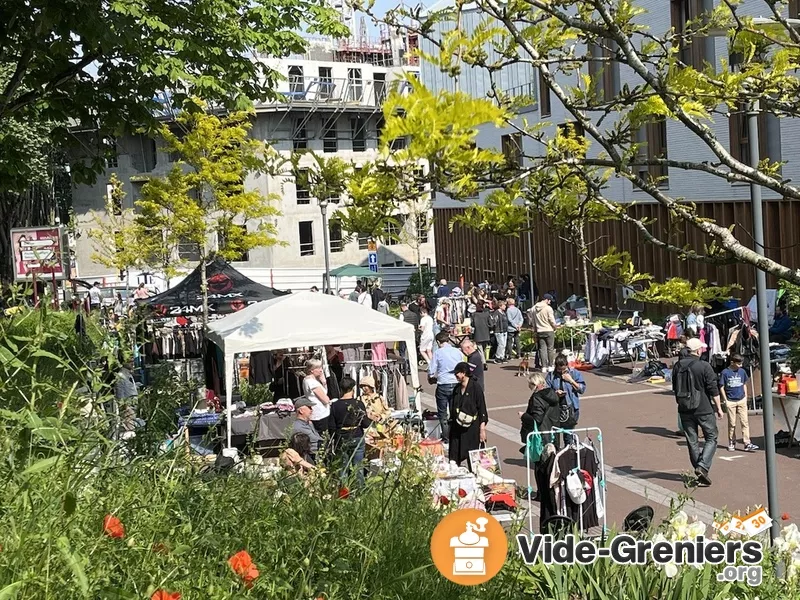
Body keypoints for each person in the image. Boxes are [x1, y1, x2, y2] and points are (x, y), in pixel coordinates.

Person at [672, 338, 724, 487]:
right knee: (711, 437)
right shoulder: (704, 366)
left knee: (692, 440)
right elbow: (713, 389)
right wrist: (719, 408)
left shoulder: (677, 366)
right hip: (704, 408)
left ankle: (699, 468)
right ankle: (702, 466)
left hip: (684, 408)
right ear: (697, 350)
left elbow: (675, 387)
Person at [331, 376, 371, 486]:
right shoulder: (358, 404)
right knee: (358, 468)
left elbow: (332, 427)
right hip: (357, 436)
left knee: (343, 469)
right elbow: (366, 424)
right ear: (353, 389)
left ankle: (344, 492)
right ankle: (360, 491)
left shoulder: (335, 405)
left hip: (342, 438)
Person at [448, 362, 488, 466]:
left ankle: (474, 473)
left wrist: (482, 429)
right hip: (457, 426)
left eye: (457, 373)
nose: (455, 376)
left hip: (472, 427)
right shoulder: (457, 389)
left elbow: (482, 409)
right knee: (454, 452)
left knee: (472, 455)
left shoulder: (476, 388)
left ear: (464, 373)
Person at [429, 331, 463, 440]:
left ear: (439, 342)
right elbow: (462, 365)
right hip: (456, 382)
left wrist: (432, 376)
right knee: (455, 411)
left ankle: (446, 437)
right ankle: (456, 435)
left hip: (443, 383)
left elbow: (431, 370)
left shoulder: (438, 353)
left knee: (442, 413)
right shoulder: (457, 351)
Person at [720, 354, 757, 453]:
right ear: (732, 362)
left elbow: (744, 384)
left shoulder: (742, 371)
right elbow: (721, 387)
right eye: (738, 363)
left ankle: (747, 443)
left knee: (745, 422)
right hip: (730, 400)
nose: (740, 365)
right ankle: (731, 442)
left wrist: (745, 396)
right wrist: (725, 400)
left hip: (741, 399)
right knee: (732, 423)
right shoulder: (725, 372)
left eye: (741, 363)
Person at [519, 371, 561, 452]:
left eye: (530, 384)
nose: (528, 386)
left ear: (534, 384)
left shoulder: (537, 398)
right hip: (553, 430)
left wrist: (523, 416)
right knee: (553, 455)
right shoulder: (552, 393)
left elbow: (537, 419)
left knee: (542, 457)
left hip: (542, 433)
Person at [546, 354, 586, 424]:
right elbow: (546, 392)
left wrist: (571, 381)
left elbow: (582, 390)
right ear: (556, 367)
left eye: (564, 369)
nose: (561, 372)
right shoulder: (551, 376)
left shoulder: (574, 373)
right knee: (555, 432)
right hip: (556, 408)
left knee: (569, 433)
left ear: (567, 365)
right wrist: (555, 393)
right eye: (559, 369)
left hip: (571, 408)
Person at [302, 359, 332, 434]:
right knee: (323, 437)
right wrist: (329, 401)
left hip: (318, 413)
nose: (321, 370)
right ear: (312, 370)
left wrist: (324, 382)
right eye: (318, 368)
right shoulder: (312, 382)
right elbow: (325, 399)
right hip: (320, 414)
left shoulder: (309, 380)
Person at [531, 293, 557, 371]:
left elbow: (533, 320)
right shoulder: (548, 308)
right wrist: (555, 326)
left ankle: (544, 366)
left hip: (539, 330)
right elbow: (551, 320)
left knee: (542, 349)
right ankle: (551, 365)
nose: (550, 302)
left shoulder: (534, 308)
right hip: (548, 329)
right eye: (549, 300)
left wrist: (535, 328)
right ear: (546, 300)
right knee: (550, 348)